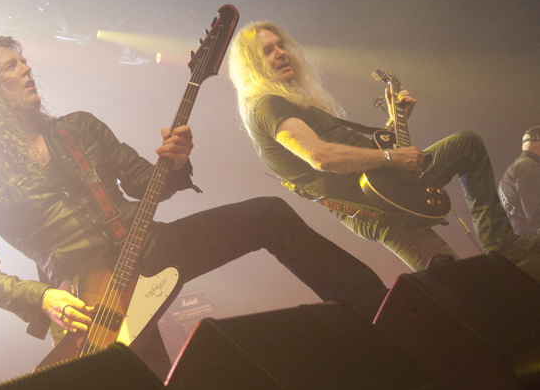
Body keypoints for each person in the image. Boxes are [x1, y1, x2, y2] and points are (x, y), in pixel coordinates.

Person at [0, 34, 389, 378]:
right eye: (11, 66)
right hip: (90, 300)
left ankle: (380, 311)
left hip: (149, 245)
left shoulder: (77, 128)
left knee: (268, 215)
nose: (27, 68)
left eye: (23, 60)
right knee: (145, 382)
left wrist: (175, 164)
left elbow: (144, 183)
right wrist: (43, 297)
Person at [227, 21, 540, 276]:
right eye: (268, 50)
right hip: (373, 208)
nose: (281, 53)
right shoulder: (267, 106)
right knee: (455, 278)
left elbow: (361, 153)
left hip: (388, 181)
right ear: (252, 65)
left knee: (467, 144)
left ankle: (503, 243)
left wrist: (395, 121)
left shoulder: (294, 102)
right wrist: (393, 157)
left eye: (281, 45)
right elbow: (321, 157)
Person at [499, 126, 540, 235]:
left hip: (519, 239)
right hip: (530, 240)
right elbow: (534, 212)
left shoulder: (517, 167)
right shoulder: (527, 166)